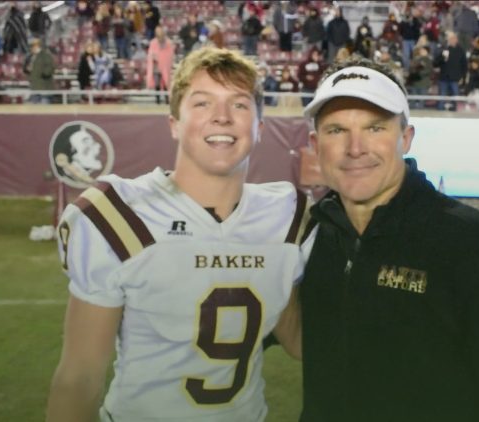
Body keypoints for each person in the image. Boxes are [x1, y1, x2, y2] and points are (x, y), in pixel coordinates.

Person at [46, 47, 306, 422]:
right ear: (174, 124)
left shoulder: (287, 216)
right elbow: (79, 378)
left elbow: (300, 340)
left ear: (260, 128)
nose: (221, 117)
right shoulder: (119, 215)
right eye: (202, 103)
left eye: (239, 105)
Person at [298, 56, 479, 421]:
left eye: (375, 128)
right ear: (315, 144)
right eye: (336, 130)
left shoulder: (477, 243)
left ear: (405, 138)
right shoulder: (313, 236)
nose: (355, 147)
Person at [434, 31, 467, 111]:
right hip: (444, 77)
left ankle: (454, 108)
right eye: (450, 39)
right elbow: (435, 63)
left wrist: (463, 77)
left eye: (453, 38)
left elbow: (464, 64)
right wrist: (442, 57)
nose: (452, 40)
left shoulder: (461, 50)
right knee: (442, 94)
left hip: (455, 77)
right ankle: (440, 109)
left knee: (455, 94)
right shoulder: (444, 49)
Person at [146, 26, 174, 104]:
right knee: (157, 83)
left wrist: (163, 59)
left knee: (166, 83)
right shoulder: (153, 42)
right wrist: (153, 56)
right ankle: (157, 100)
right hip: (156, 66)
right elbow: (150, 53)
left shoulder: (168, 43)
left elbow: (169, 54)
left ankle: (167, 100)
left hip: (165, 66)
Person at [24, 38, 55, 104]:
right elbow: (26, 67)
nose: (31, 48)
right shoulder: (30, 57)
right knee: (35, 110)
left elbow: (50, 69)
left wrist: (42, 73)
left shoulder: (45, 56)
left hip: (44, 88)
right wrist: (27, 69)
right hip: (34, 87)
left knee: (44, 109)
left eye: (33, 46)